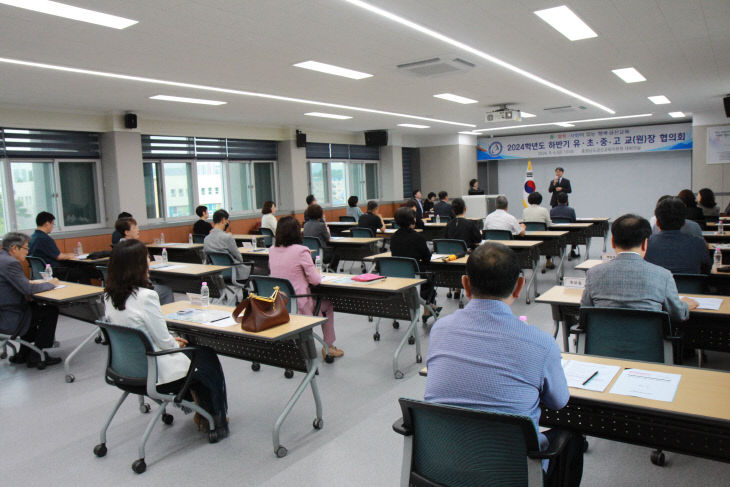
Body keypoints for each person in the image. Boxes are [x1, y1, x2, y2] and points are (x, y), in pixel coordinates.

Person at [425, 242, 583, 485]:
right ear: (519, 286)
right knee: (571, 437)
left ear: (465, 284)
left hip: (442, 465)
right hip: (512, 475)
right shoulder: (540, 343)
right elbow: (559, 401)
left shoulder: (440, 329)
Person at [103, 239, 229, 437]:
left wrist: (170, 341)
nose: (149, 261)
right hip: (154, 371)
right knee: (206, 356)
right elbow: (163, 340)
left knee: (195, 354)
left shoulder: (108, 296)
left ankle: (198, 409)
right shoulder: (146, 297)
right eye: (146, 257)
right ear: (138, 265)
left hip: (124, 370)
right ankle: (214, 418)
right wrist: (174, 341)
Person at [581, 214, 698, 324]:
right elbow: (678, 314)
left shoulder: (593, 273)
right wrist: (685, 305)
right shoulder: (663, 276)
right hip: (650, 344)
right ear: (645, 244)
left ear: (612, 242)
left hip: (604, 343)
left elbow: (585, 312)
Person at [268, 216, 343, 358]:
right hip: (299, 303)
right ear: (297, 232)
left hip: (278, 305)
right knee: (327, 305)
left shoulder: (272, 249)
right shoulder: (301, 251)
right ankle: (328, 346)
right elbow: (315, 281)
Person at [1, 232, 62, 368]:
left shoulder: (2, 259)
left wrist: (30, 284)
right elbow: (27, 289)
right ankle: (38, 353)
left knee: (35, 308)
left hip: (5, 311)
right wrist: (51, 284)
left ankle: (23, 353)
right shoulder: (11, 263)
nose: (27, 252)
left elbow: (17, 284)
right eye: (26, 248)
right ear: (14, 248)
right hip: (11, 315)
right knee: (51, 311)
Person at [390, 207, 439, 322]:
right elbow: (427, 258)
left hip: (397, 275)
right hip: (414, 275)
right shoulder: (418, 237)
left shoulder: (393, 238)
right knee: (429, 276)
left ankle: (430, 307)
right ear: (413, 220)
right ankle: (428, 308)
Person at [115, 217, 174, 305]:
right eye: (135, 227)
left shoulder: (118, 246)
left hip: (125, 287)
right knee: (166, 290)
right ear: (126, 232)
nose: (138, 230)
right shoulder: (133, 249)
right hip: (137, 287)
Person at [645, 197, 712, 275]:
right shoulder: (699, 243)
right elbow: (707, 269)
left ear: (657, 223)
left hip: (657, 287)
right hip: (690, 286)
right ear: (683, 222)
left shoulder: (645, 245)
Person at [203, 209, 251, 281]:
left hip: (216, 273)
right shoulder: (227, 237)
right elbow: (239, 258)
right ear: (223, 220)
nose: (227, 223)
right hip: (233, 272)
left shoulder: (206, 239)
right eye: (227, 220)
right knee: (258, 269)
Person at [29, 211, 77, 280]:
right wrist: (74, 255)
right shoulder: (45, 238)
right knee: (81, 272)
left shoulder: (32, 237)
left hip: (38, 272)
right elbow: (59, 257)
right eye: (52, 224)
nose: (52, 227)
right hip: (52, 271)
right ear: (47, 224)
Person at [303, 204, 339, 272]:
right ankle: (332, 271)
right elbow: (328, 238)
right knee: (337, 254)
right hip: (320, 254)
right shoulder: (321, 225)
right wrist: (327, 229)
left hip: (309, 253)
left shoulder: (305, 225)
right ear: (320, 214)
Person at [523, 192, 554, 269]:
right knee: (551, 238)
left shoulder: (525, 210)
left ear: (529, 200)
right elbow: (549, 225)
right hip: (543, 239)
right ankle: (548, 261)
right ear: (540, 200)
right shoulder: (544, 210)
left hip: (529, 239)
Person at [550, 192, 579, 258]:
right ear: (567, 201)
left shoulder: (552, 211)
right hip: (568, 236)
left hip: (556, 235)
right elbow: (574, 223)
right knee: (575, 231)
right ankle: (572, 250)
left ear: (557, 201)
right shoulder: (571, 210)